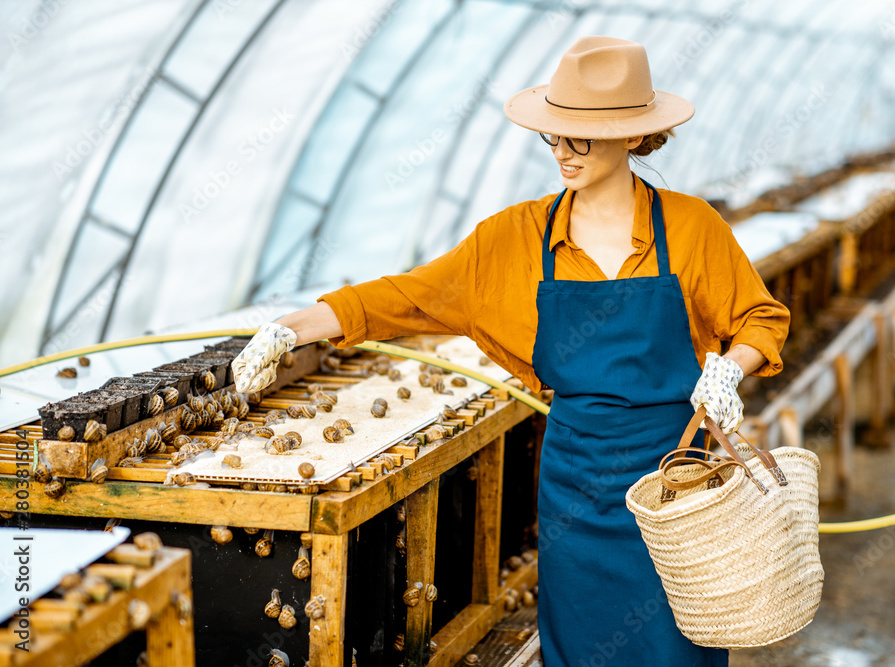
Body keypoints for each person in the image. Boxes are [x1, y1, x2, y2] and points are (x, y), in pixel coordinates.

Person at [233, 36, 789, 666]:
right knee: (579, 644)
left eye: (580, 136)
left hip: (675, 481)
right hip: (574, 485)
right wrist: (291, 328)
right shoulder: (519, 237)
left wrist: (729, 370)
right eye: (555, 134)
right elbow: (409, 296)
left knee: (676, 645)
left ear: (634, 137)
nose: (563, 152)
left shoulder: (691, 228)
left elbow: (759, 317)